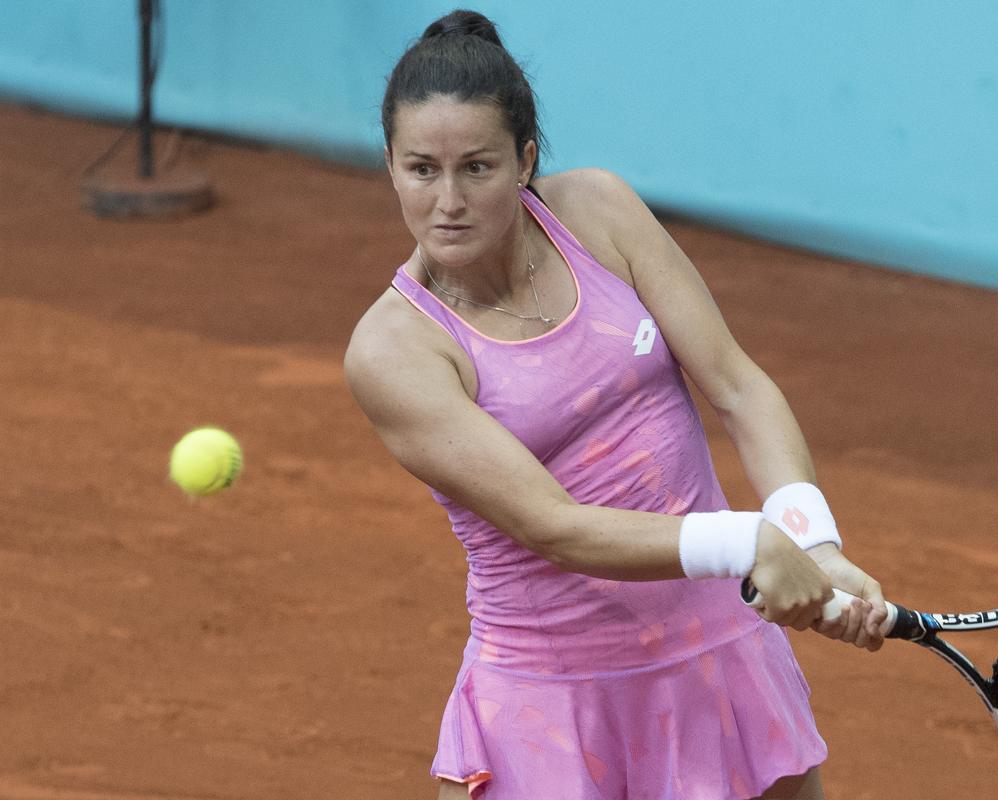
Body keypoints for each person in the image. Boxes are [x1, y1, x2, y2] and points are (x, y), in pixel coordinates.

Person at [345, 10, 887, 799]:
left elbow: (736, 386)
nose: (448, 202)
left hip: (722, 659)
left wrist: (814, 541)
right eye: (421, 169)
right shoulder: (393, 351)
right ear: (390, 167)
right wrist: (750, 541)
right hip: (552, 702)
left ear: (525, 160)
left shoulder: (598, 213)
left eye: (479, 168)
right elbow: (553, 527)